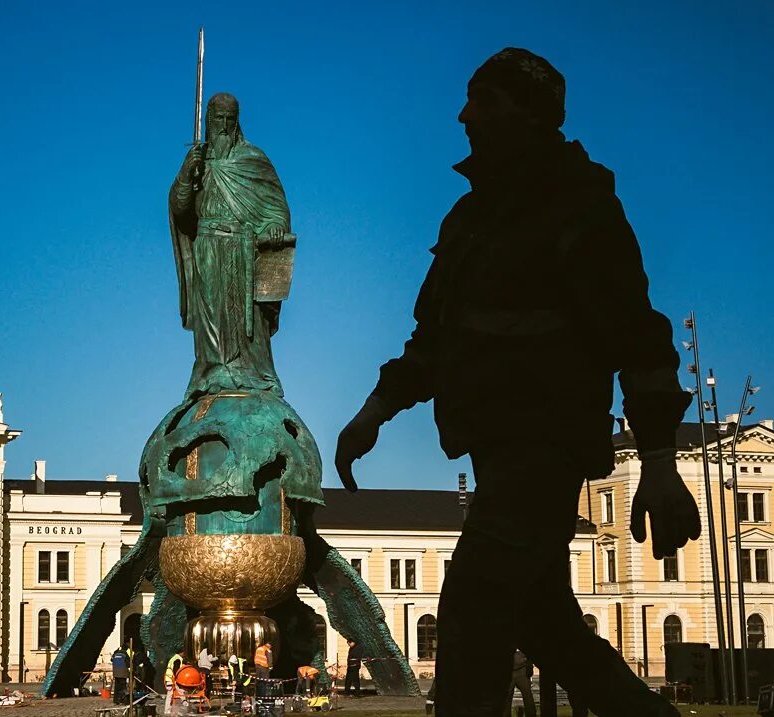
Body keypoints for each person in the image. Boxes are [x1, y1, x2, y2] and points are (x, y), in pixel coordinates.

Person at [335, 47, 701, 717]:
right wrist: (374, 411)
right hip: (495, 451)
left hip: (547, 447)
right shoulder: (468, 219)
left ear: (531, 114)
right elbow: (433, 339)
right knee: (546, 625)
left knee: (472, 604)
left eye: (483, 100)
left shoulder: (578, 205)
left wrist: (656, 460)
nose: (463, 115)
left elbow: (636, 335)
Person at [169, 92, 292, 399]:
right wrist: (186, 174)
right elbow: (181, 211)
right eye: (217, 119)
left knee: (248, 320)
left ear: (237, 122)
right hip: (208, 247)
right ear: (208, 121)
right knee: (212, 313)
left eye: (229, 119)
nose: (223, 125)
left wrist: (275, 225)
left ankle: (255, 374)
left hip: (243, 248)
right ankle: (213, 372)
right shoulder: (198, 163)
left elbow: (276, 206)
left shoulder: (252, 159)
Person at [504, 651, 535, 717]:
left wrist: (529, 664)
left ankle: (531, 715)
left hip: (522, 669)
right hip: (508, 669)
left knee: (527, 695)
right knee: (507, 697)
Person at [164, 649, 185, 715]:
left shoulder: (174, 658)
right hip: (172, 679)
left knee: (179, 691)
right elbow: (176, 670)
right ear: (180, 653)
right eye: (183, 653)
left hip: (169, 678)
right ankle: (167, 710)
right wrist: (178, 678)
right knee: (170, 694)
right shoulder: (177, 659)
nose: (184, 654)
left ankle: (184, 702)